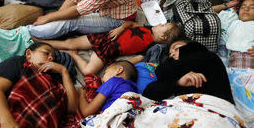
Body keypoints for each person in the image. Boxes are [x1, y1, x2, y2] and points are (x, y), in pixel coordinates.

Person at [0, 42, 78, 128]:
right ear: (29, 54)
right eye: (46, 53)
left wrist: (64, 71)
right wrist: (6, 121)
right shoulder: (17, 63)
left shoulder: (53, 79)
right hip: (13, 125)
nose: (50, 58)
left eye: (53, 58)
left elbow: (72, 108)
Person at [42, 22, 180, 76]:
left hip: (111, 51)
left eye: (163, 25)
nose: (160, 23)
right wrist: (120, 28)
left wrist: (129, 64)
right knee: (70, 42)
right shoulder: (146, 27)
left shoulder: (152, 46)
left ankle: (73, 55)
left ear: (163, 37)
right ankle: (41, 41)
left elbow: (140, 58)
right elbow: (129, 23)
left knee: (88, 71)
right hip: (106, 37)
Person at [142, 40, 234, 103]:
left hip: (215, 109)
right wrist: (178, 84)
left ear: (190, 46)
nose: (172, 54)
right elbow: (148, 94)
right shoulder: (173, 76)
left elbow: (161, 70)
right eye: (170, 54)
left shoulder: (209, 57)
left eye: (176, 48)